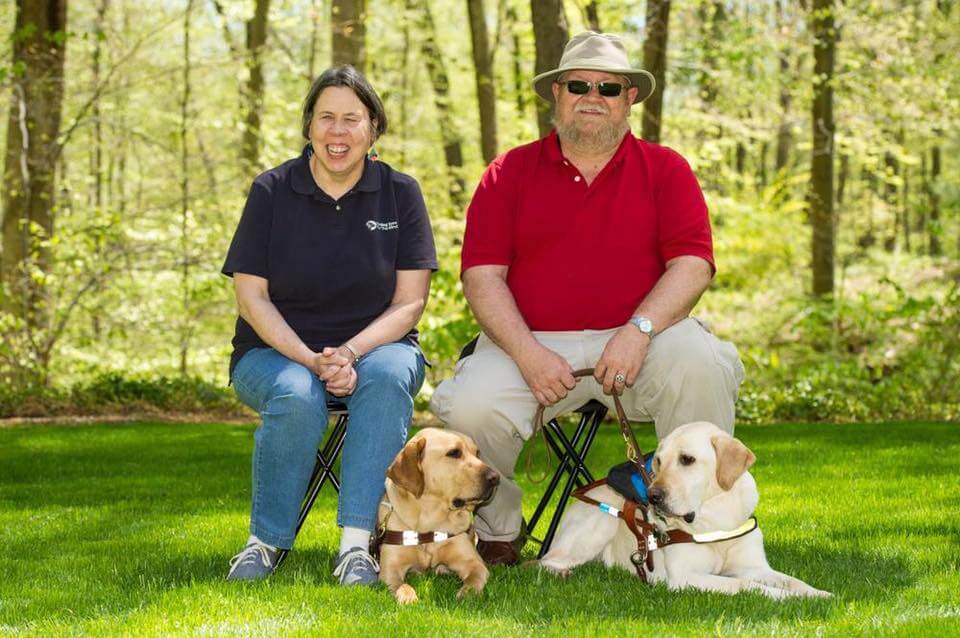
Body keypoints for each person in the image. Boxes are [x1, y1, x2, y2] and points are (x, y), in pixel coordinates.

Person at [430, 32, 745, 566]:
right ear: (557, 92)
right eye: (578, 84)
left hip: (642, 337)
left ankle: (705, 526)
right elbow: (482, 276)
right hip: (527, 342)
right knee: (469, 405)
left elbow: (693, 265)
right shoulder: (508, 173)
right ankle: (496, 529)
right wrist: (528, 353)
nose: (592, 95)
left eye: (608, 86)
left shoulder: (666, 169)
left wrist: (638, 331)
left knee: (703, 361)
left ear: (630, 99)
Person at [221, 65, 437, 585]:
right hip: (273, 352)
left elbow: (410, 303)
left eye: (351, 120)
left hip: (378, 348)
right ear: (308, 126)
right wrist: (310, 359)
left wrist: (350, 355)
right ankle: (264, 543)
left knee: (385, 380)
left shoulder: (400, 193)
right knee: (297, 393)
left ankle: (356, 548)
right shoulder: (271, 190)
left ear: (373, 129)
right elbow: (251, 296)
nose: (337, 133)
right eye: (325, 119)